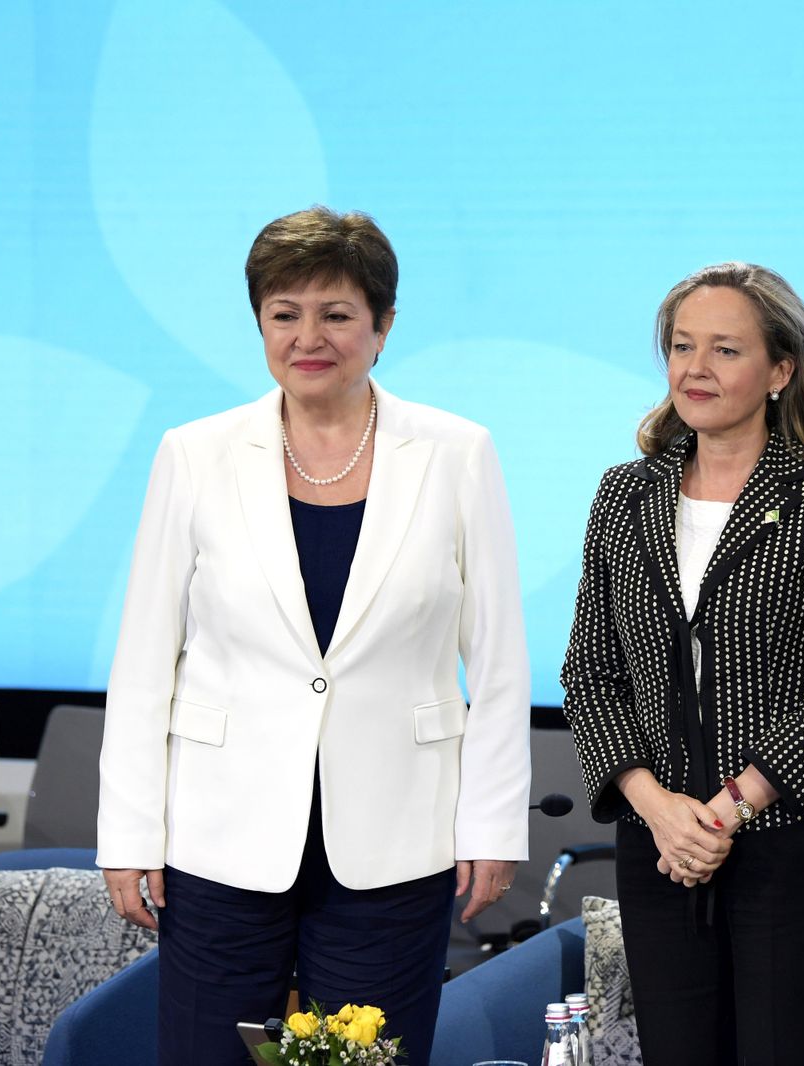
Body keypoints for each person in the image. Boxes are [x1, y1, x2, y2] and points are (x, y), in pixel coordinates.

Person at [96, 206, 530, 1066]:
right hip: (221, 837)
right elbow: (145, 659)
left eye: (336, 314)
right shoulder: (194, 453)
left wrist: (491, 826)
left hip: (396, 834)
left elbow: (501, 658)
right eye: (284, 314)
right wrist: (130, 833)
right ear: (259, 322)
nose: (308, 337)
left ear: (382, 325)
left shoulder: (456, 452)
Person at [562, 262, 804, 1065]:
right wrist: (659, 809)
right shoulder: (624, 494)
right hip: (663, 851)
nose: (695, 369)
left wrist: (725, 812)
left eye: (724, 350)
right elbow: (591, 676)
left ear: (782, 369)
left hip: (793, 851)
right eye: (681, 347)